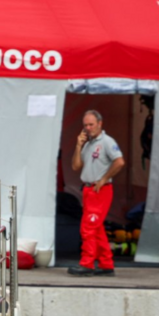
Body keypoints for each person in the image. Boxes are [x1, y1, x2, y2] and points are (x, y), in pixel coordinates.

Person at [68, 110, 124, 277]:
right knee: (96, 228)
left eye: (91, 124)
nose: (88, 128)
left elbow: (119, 161)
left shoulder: (107, 142)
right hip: (88, 189)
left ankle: (87, 264)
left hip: (99, 190)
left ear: (100, 124)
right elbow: (76, 167)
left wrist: (104, 179)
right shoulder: (88, 144)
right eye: (85, 125)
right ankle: (106, 264)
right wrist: (78, 146)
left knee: (88, 228)